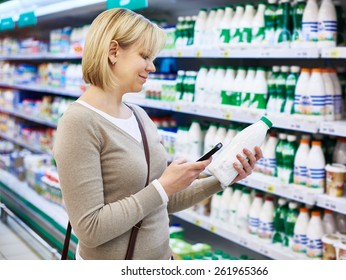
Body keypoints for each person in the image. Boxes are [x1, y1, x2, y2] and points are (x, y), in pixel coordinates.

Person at [53, 8, 262, 260]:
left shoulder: (139, 115)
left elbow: (162, 202)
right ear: (113, 52)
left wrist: (223, 178)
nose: (152, 67)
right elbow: (90, 228)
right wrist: (162, 186)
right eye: (145, 56)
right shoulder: (78, 123)